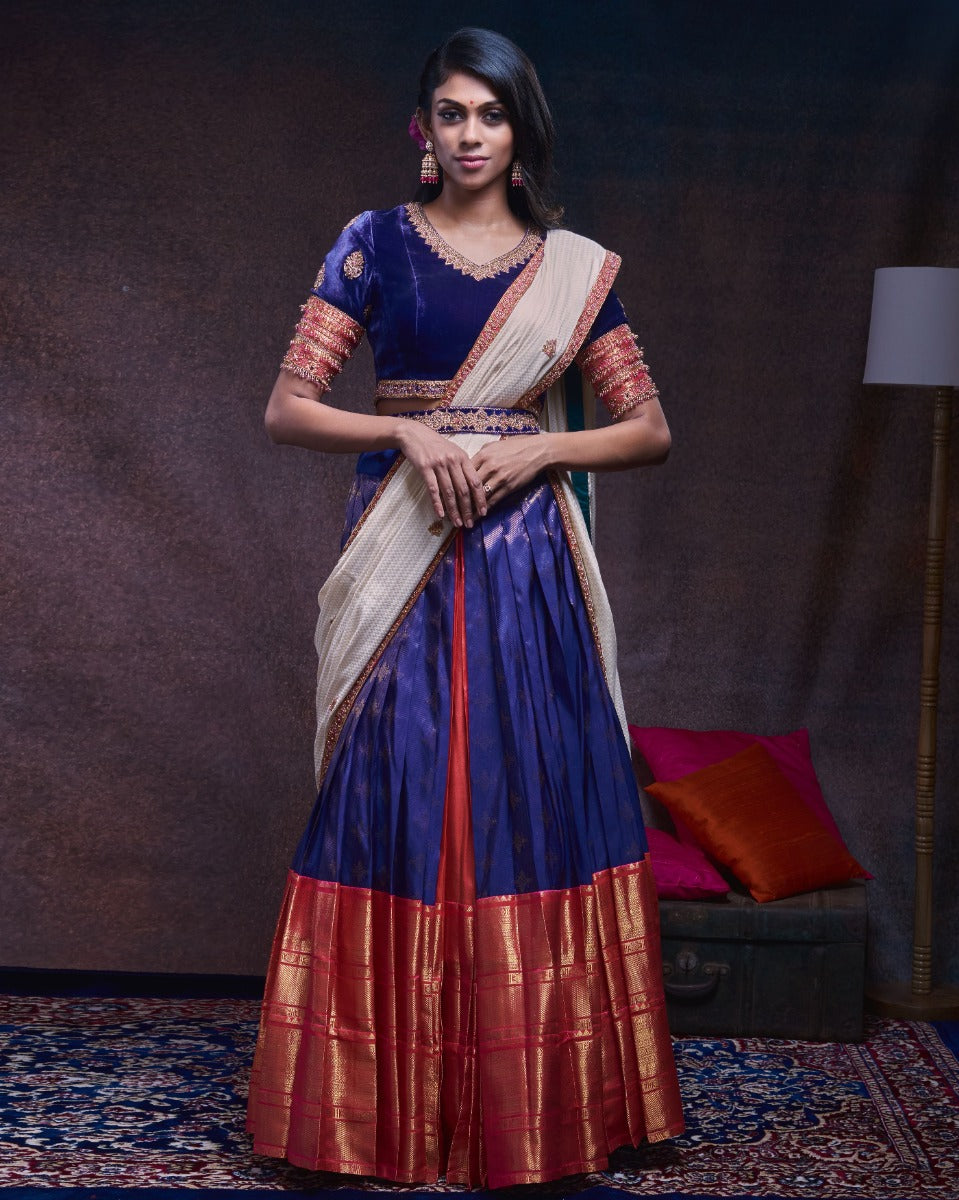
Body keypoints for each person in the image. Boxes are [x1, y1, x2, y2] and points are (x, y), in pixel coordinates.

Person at [246, 27, 684, 1189]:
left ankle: (534, 1118)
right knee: (385, 799)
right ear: (422, 129)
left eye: (490, 114)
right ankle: (358, 1121)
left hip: (525, 570)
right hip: (399, 557)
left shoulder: (571, 272)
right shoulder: (373, 244)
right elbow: (288, 409)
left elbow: (646, 431)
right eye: (451, 113)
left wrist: (536, 452)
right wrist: (404, 432)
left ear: (517, 130)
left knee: (523, 800)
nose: (470, 134)